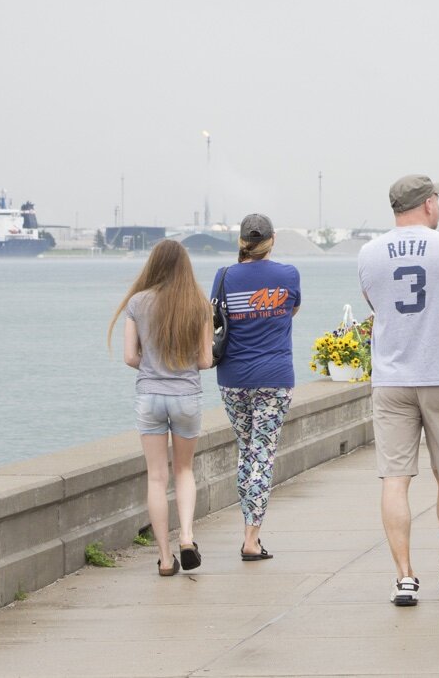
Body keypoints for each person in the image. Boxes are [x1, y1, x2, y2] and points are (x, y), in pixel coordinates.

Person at [358, 175, 439, 607]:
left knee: (395, 478)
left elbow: (374, 303)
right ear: (429, 204)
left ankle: (405, 577)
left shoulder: (369, 254)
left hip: (391, 379)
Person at [109, 239, 214, 576]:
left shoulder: (137, 302)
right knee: (183, 471)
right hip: (186, 396)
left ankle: (166, 559)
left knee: (157, 477)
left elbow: (129, 356)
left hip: (149, 396)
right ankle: (186, 536)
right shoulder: (198, 303)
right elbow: (205, 360)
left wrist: (153, 366)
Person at [212, 213, 302, 563]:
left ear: (241, 242)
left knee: (246, 451)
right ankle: (251, 538)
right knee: (262, 453)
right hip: (275, 378)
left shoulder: (224, 277)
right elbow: (291, 310)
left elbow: (217, 320)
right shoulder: (289, 275)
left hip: (233, 379)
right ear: (272, 239)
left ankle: (248, 528)